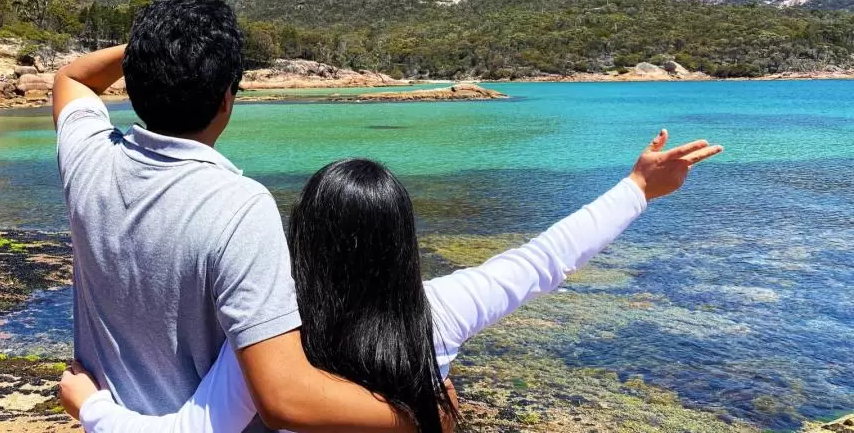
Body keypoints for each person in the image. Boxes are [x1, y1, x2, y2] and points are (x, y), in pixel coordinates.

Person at [59, 135, 722, 433]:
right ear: (400, 238)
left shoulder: (276, 338)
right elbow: (543, 261)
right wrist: (638, 187)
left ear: (305, 238)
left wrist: (90, 405)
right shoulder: (438, 310)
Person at [53, 0, 416, 433]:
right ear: (226, 98)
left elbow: (73, 77)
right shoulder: (240, 207)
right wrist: (416, 415)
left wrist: (153, 52)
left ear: (133, 83)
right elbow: (284, 398)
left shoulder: (88, 161)